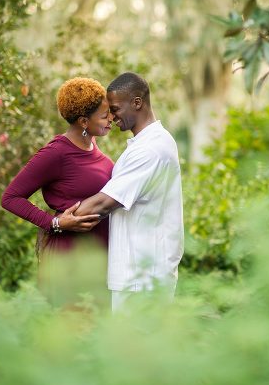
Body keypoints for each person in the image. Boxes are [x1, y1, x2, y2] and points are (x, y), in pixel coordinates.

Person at [69, 72, 184, 312]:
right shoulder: (150, 143)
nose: (111, 117)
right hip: (139, 275)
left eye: (115, 108)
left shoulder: (150, 150)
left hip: (142, 280)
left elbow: (104, 204)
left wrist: (57, 221)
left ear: (137, 102)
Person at [1, 77, 113, 305]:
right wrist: (56, 223)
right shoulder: (56, 153)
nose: (111, 118)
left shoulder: (92, 145)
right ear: (83, 121)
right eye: (105, 115)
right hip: (69, 257)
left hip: (98, 256)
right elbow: (10, 198)